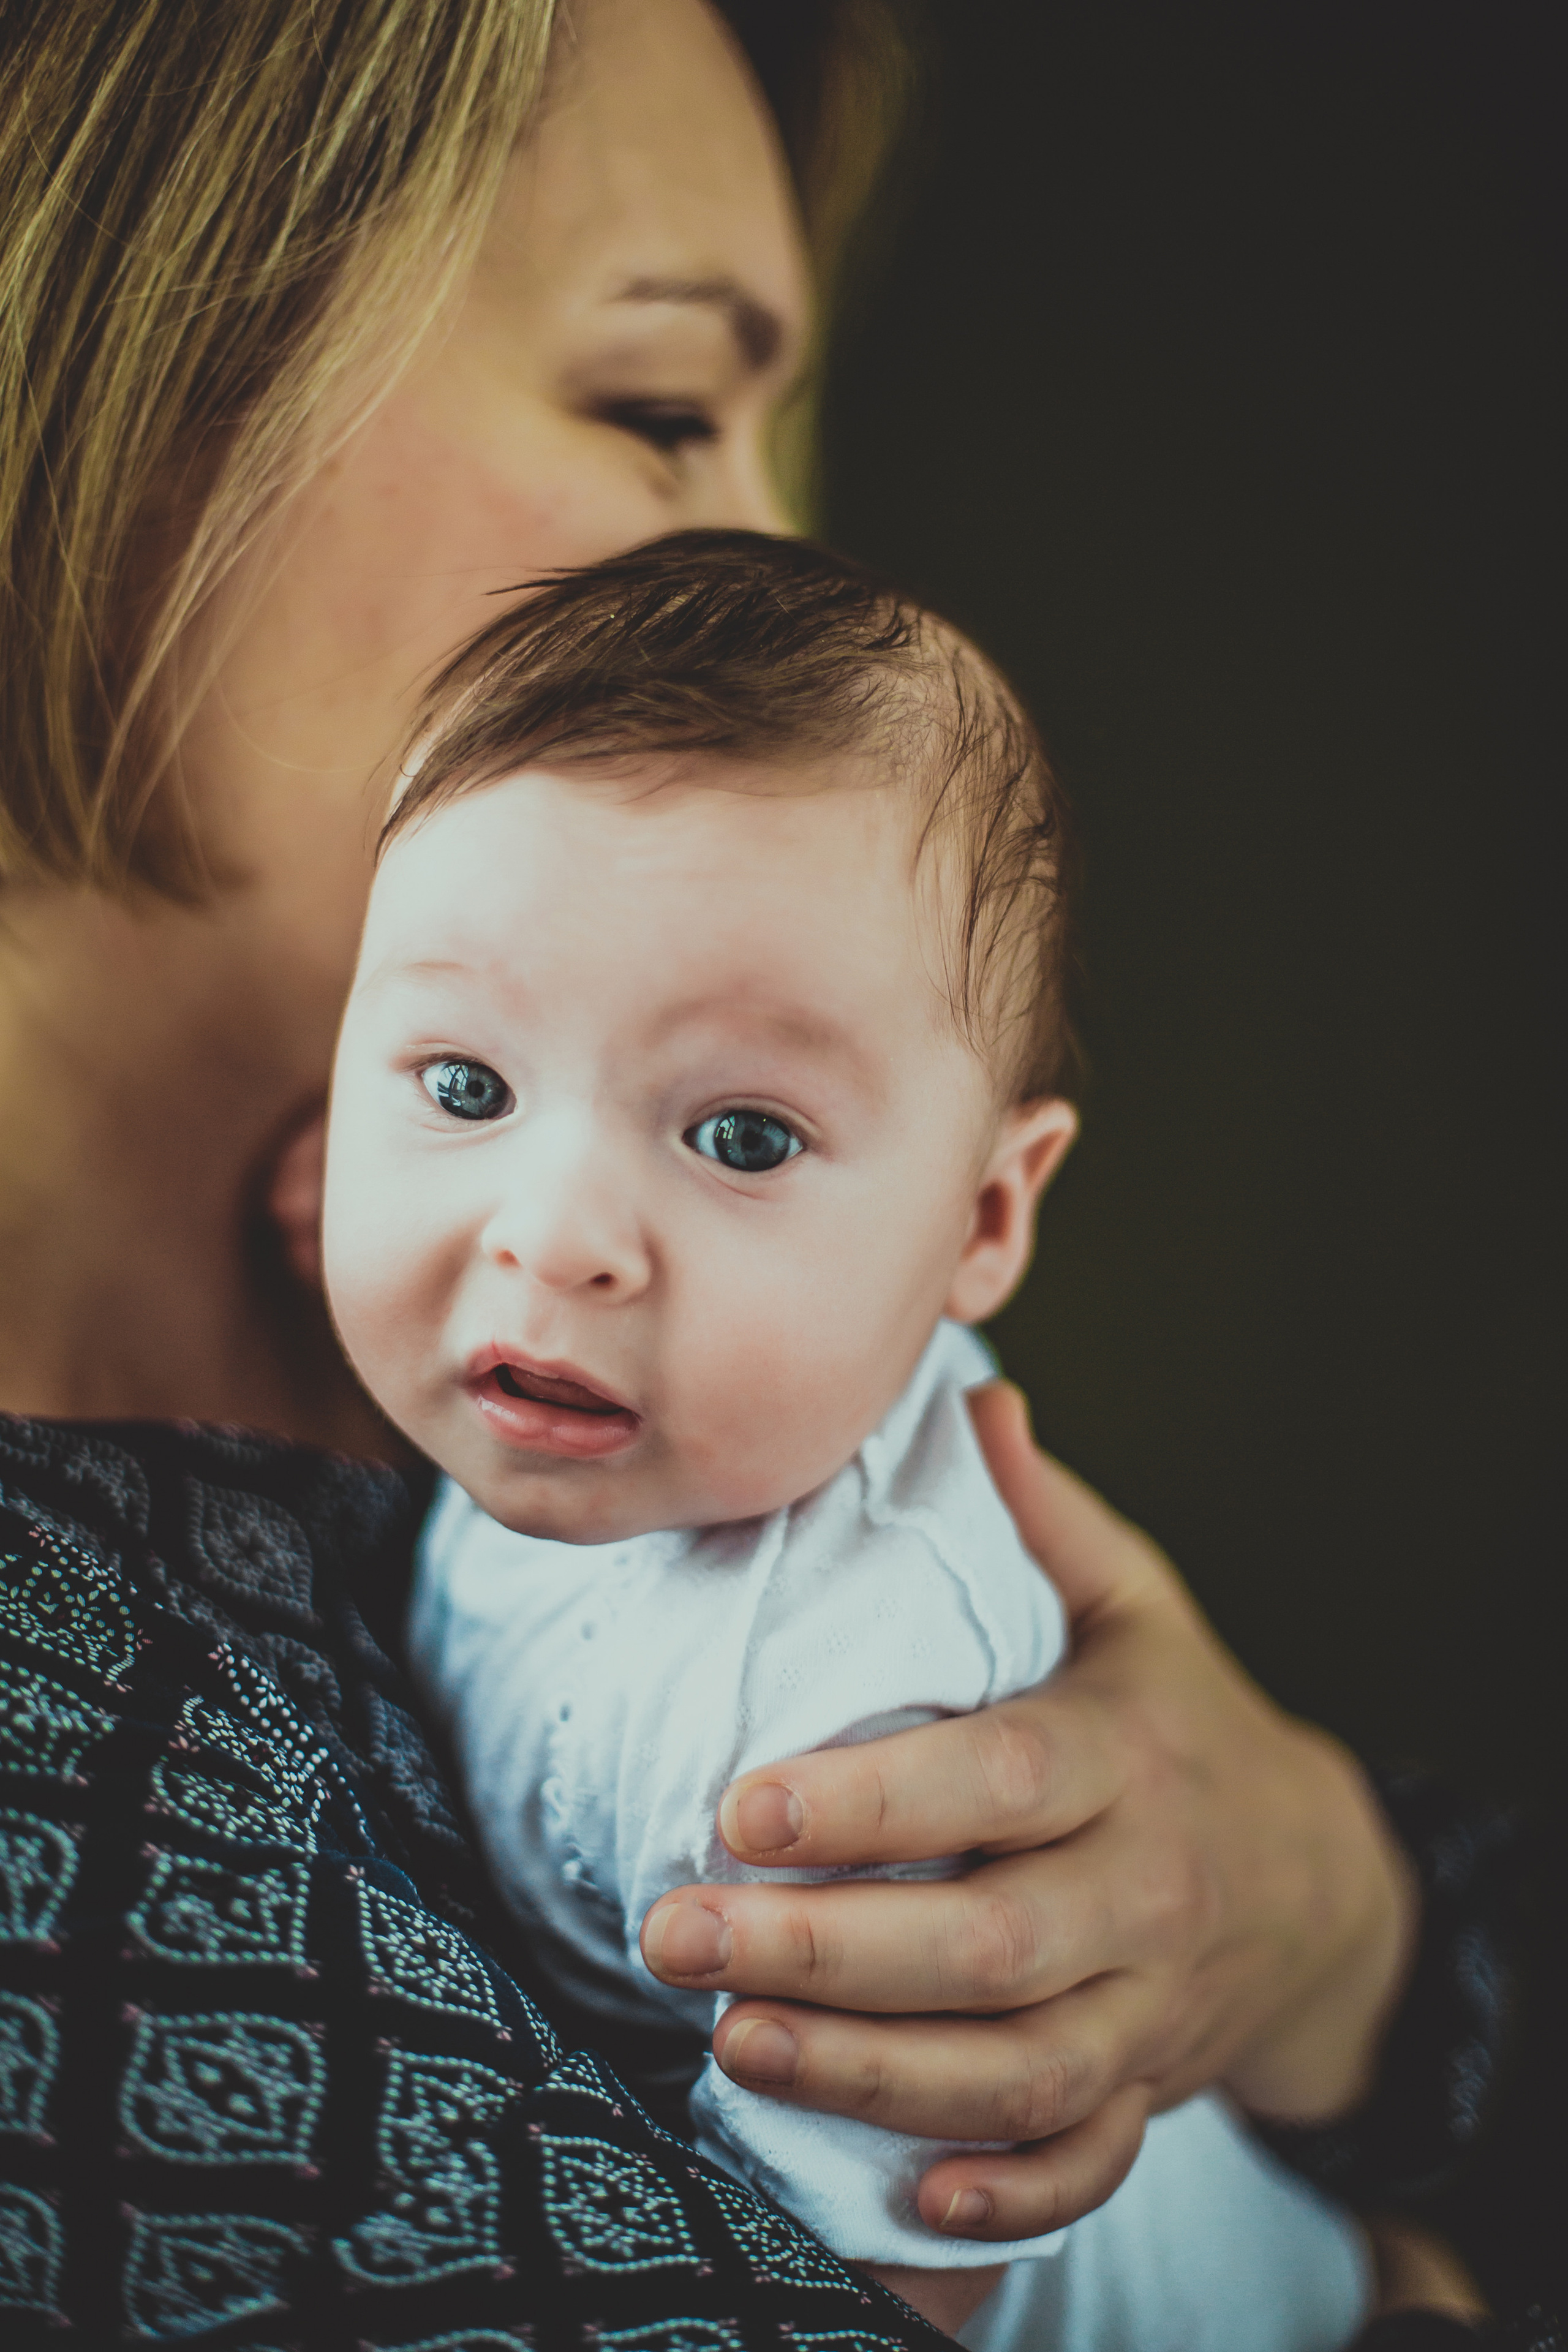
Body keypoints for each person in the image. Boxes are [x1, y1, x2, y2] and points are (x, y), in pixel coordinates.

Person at [0, 0, 1521, 2338]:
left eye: (735, 1134)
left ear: (991, 1211)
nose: (773, 572)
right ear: (112, 350)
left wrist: (1328, 1907)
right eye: (654, 404)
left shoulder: (667, 1397)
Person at [320, 525, 1372, 2343]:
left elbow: (877, 2295)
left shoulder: (845, 1734)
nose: (552, 1231)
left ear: (982, 1221)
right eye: (469, 1087)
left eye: (739, 1137)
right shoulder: (590, 1349)